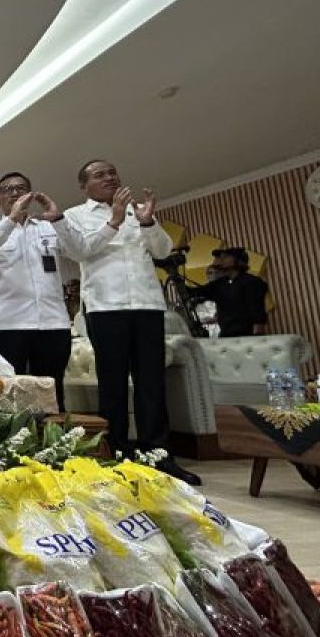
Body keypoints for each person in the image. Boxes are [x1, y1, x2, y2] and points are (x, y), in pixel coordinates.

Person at [62, 159, 200, 485]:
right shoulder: (75, 216)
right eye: (100, 175)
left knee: (152, 382)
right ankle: (118, 455)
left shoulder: (138, 210)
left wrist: (149, 222)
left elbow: (163, 250)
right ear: (84, 186)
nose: (109, 177)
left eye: (112, 172)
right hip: (105, 308)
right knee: (113, 385)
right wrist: (113, 220)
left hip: (148, 305)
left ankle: (159, 455)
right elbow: (81, 251)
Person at [0, 172, 75, 411]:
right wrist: (11, 220)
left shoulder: (48, 227)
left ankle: (53, 445)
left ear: (31, 195)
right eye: (7, 189)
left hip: (53, 323)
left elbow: (76, 250)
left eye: (21, 188)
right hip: (9, 325)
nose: (15, 193)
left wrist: (59, 219)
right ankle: (12, 446)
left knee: (51, 391)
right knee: (7, 393)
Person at [193, 248, 269, 337]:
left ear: (239, 261)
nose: (222, 260)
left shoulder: (252, 282)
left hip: (246, 336)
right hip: (226, 336)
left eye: (226, 257)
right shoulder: (220, 284)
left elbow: (257, 313)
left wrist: (257, 338)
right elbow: (195, 292)